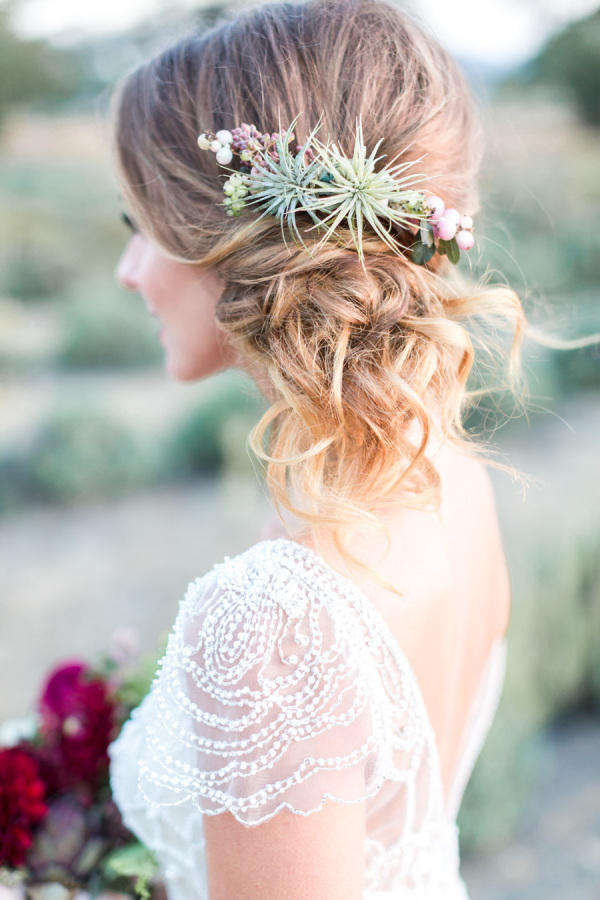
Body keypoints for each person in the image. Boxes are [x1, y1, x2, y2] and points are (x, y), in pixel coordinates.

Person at [106, 1, 598, 897]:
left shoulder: (276, 617)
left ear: (227, 238)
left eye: (138, 226)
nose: (127, 272)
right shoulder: (446, 476)